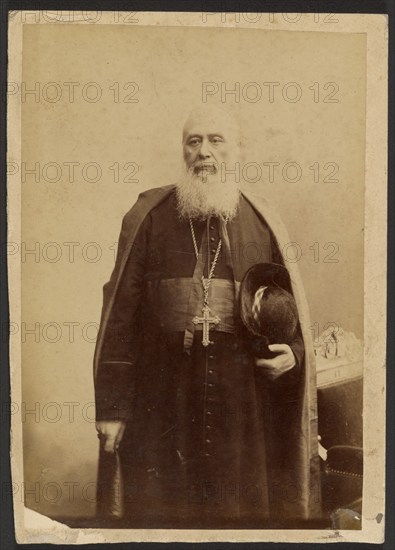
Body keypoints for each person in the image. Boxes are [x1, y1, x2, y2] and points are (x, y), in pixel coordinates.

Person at [94, 106, 321, 528]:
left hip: (244, 402)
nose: (204, 152)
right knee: (161, 511)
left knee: (238, 512)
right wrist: (112, 407)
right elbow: (119, 315)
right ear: (183, 151)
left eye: (216, 140)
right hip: (161, 396)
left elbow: (290, 312)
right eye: (193, 141)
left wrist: (293, 352)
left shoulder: (262, 221)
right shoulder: (149, 216)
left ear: (238, 150)